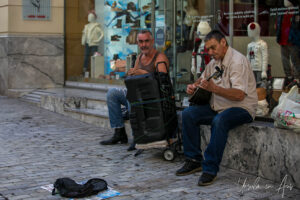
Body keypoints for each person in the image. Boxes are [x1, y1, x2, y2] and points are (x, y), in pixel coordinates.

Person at [176, 30, 257, 186]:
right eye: (208, 50)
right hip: (218, 105)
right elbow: (203, 78)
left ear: (223, 43)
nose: (211, 52)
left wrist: (214, 89)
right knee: (188, 114)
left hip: (241, 108)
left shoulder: (237, 61)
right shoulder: (214, 62)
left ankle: (210, 169)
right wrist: (194, 86)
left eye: (213, 48)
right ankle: (193, 160)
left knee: (220, 121)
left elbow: (239, 95)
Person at [100, 30, 169, 151]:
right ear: (138, 43)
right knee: (112, 93)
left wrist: (142, 73)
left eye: (146, 41)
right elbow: (134, 77)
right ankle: (119, 132)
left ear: (152, 41)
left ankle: (137, 137)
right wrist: (130, 74)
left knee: (133, 98)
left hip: (153, 97)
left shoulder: (160, 57)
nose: (144, 45)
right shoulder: (140, 57)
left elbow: (162, 81)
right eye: (141, 42)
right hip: (138, 93)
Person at [276, 0, 300, 86]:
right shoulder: (282, 12)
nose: (285, 1)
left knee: (295, 60)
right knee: (284, 60)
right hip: (283, 39)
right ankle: (289, 77)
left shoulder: (297, 12)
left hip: (293, 41)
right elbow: (278, 24)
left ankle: (297, 78)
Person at [81, 11, 104, 76]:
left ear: (93, 18)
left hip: (94, 44)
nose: (89, 18)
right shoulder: (86, 26)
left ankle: (95, 71)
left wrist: (98, 40)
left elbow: (102, 34)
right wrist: (83, 41)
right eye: (88, 16)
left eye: (90, 16)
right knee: (86, 57)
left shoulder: (96, 26)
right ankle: (84, 71)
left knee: (94, 58)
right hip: (87, 43)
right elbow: (84, 34)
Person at [247, 22, 268, 87]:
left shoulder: (263, 44)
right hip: (251, 69)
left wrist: (264, 71)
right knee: (251, 86)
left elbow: (265, 58)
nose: (249, 32)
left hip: (259, 69)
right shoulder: (249, 45)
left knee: (260, 86)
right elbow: (247, 57)